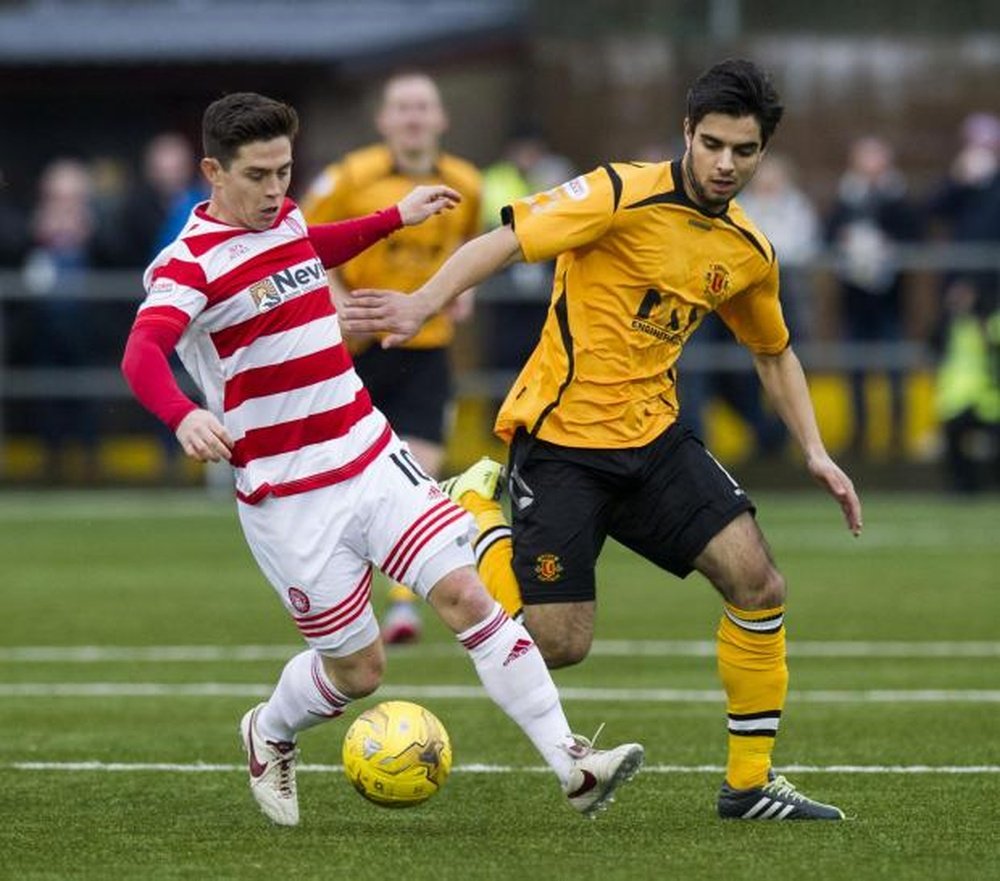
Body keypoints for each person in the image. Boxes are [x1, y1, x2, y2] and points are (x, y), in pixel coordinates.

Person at [341, 59, 863, 821]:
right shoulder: (619, 191)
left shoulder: (748, 251)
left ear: (762, 152)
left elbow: (773, 349)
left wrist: (815, 450)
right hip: (562, 443)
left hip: (655, 441)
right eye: (711, 143)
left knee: (759, 582)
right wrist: (423, 303)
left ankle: (749, 784)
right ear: (687, 132)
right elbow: (507, 239)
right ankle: (478, 513)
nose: (724, 164)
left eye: (742, 151)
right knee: (556, 644)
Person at [120, 92, 643, 827]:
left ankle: (573, 763)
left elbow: (310, 245)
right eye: (258, 175)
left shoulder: (288, 217)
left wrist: (397, 216)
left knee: (466, 595)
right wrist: (185, 414)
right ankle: (268, 729)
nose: (276, 190)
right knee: (359, 671)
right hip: (287, 494)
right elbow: (141, 353)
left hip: (368, 452)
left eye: (284, 171)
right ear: (212, 169)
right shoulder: (187, 265)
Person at [301, 70, 482, 644]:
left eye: (422, 107)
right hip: (357, 350)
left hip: (426, 350)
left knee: (419, 470)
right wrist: (336, 302)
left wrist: (461, 288)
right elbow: (301, 243)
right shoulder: (349, 178)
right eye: (402, 107)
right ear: (383, 120)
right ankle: (342, 602)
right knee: (346, 484)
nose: (412, 117)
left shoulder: (466, 183)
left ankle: (402, 605)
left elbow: (469, 245)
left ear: (441, 119)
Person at [826, 135, 922, 458]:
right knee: (855, 369)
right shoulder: (845, 196)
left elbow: (914, 234)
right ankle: (859, 433)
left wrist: (886, 242)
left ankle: (897, 433)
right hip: (854, 298)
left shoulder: (898, 196)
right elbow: (828, 234)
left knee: (895, 367)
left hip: (890, 298)